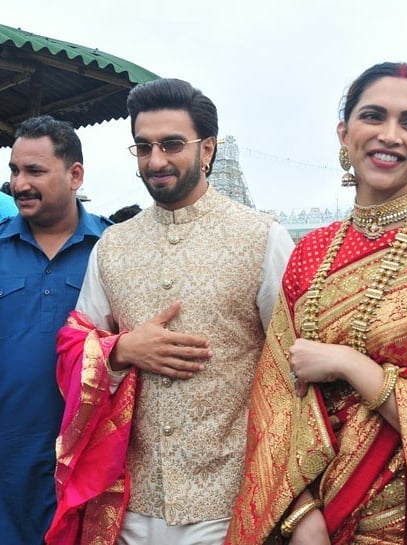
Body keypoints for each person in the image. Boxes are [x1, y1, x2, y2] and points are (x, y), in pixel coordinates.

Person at [224, 62, 407, 545]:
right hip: (311, 521)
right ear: (345, 131)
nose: (391, 135)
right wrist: (299, 511)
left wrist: (353, 365)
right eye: (374, 116)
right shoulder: (310, 252)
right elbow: (274, 395)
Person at [45, 78, 294, 545]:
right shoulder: (113, 246)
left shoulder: (262, 238)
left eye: (172, 144)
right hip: (127, 503)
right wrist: (120, 352)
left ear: (207, 149)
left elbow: (292, 366)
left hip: (226, 501)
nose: (155, 161)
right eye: (143, 147)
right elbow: (72, 346)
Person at [0, 115, 110, 545]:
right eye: (14, 170)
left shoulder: (113, 248)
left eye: (34, 171)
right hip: (8, 460)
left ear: (75, 174)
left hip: (89, 457)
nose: (19, 183)